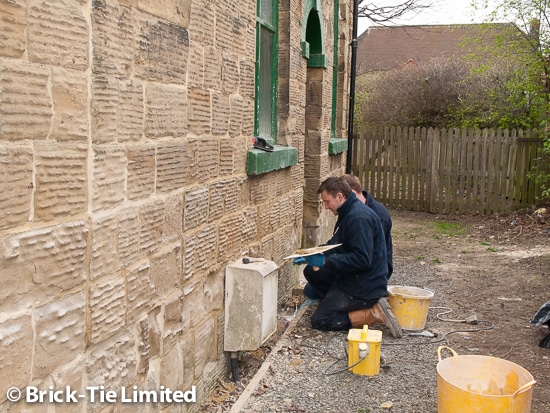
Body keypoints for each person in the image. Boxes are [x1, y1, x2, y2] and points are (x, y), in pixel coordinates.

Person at [294, 177, 402, 337]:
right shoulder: (349, 211)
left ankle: (372, 313)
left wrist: (325, 260)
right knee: (312, 271)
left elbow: (362, 260)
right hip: (355, 276)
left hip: (365, 284)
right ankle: (337, 302)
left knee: (320, 320)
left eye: (327, 202)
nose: (326, 207)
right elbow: (336, 244)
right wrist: (315, 253)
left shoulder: (358, 218)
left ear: (339, 196)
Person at [342, 174, 393, 280]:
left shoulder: (378, 215)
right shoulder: (351, 211)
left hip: (372, 273)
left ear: (352, 193)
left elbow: (372, 253)